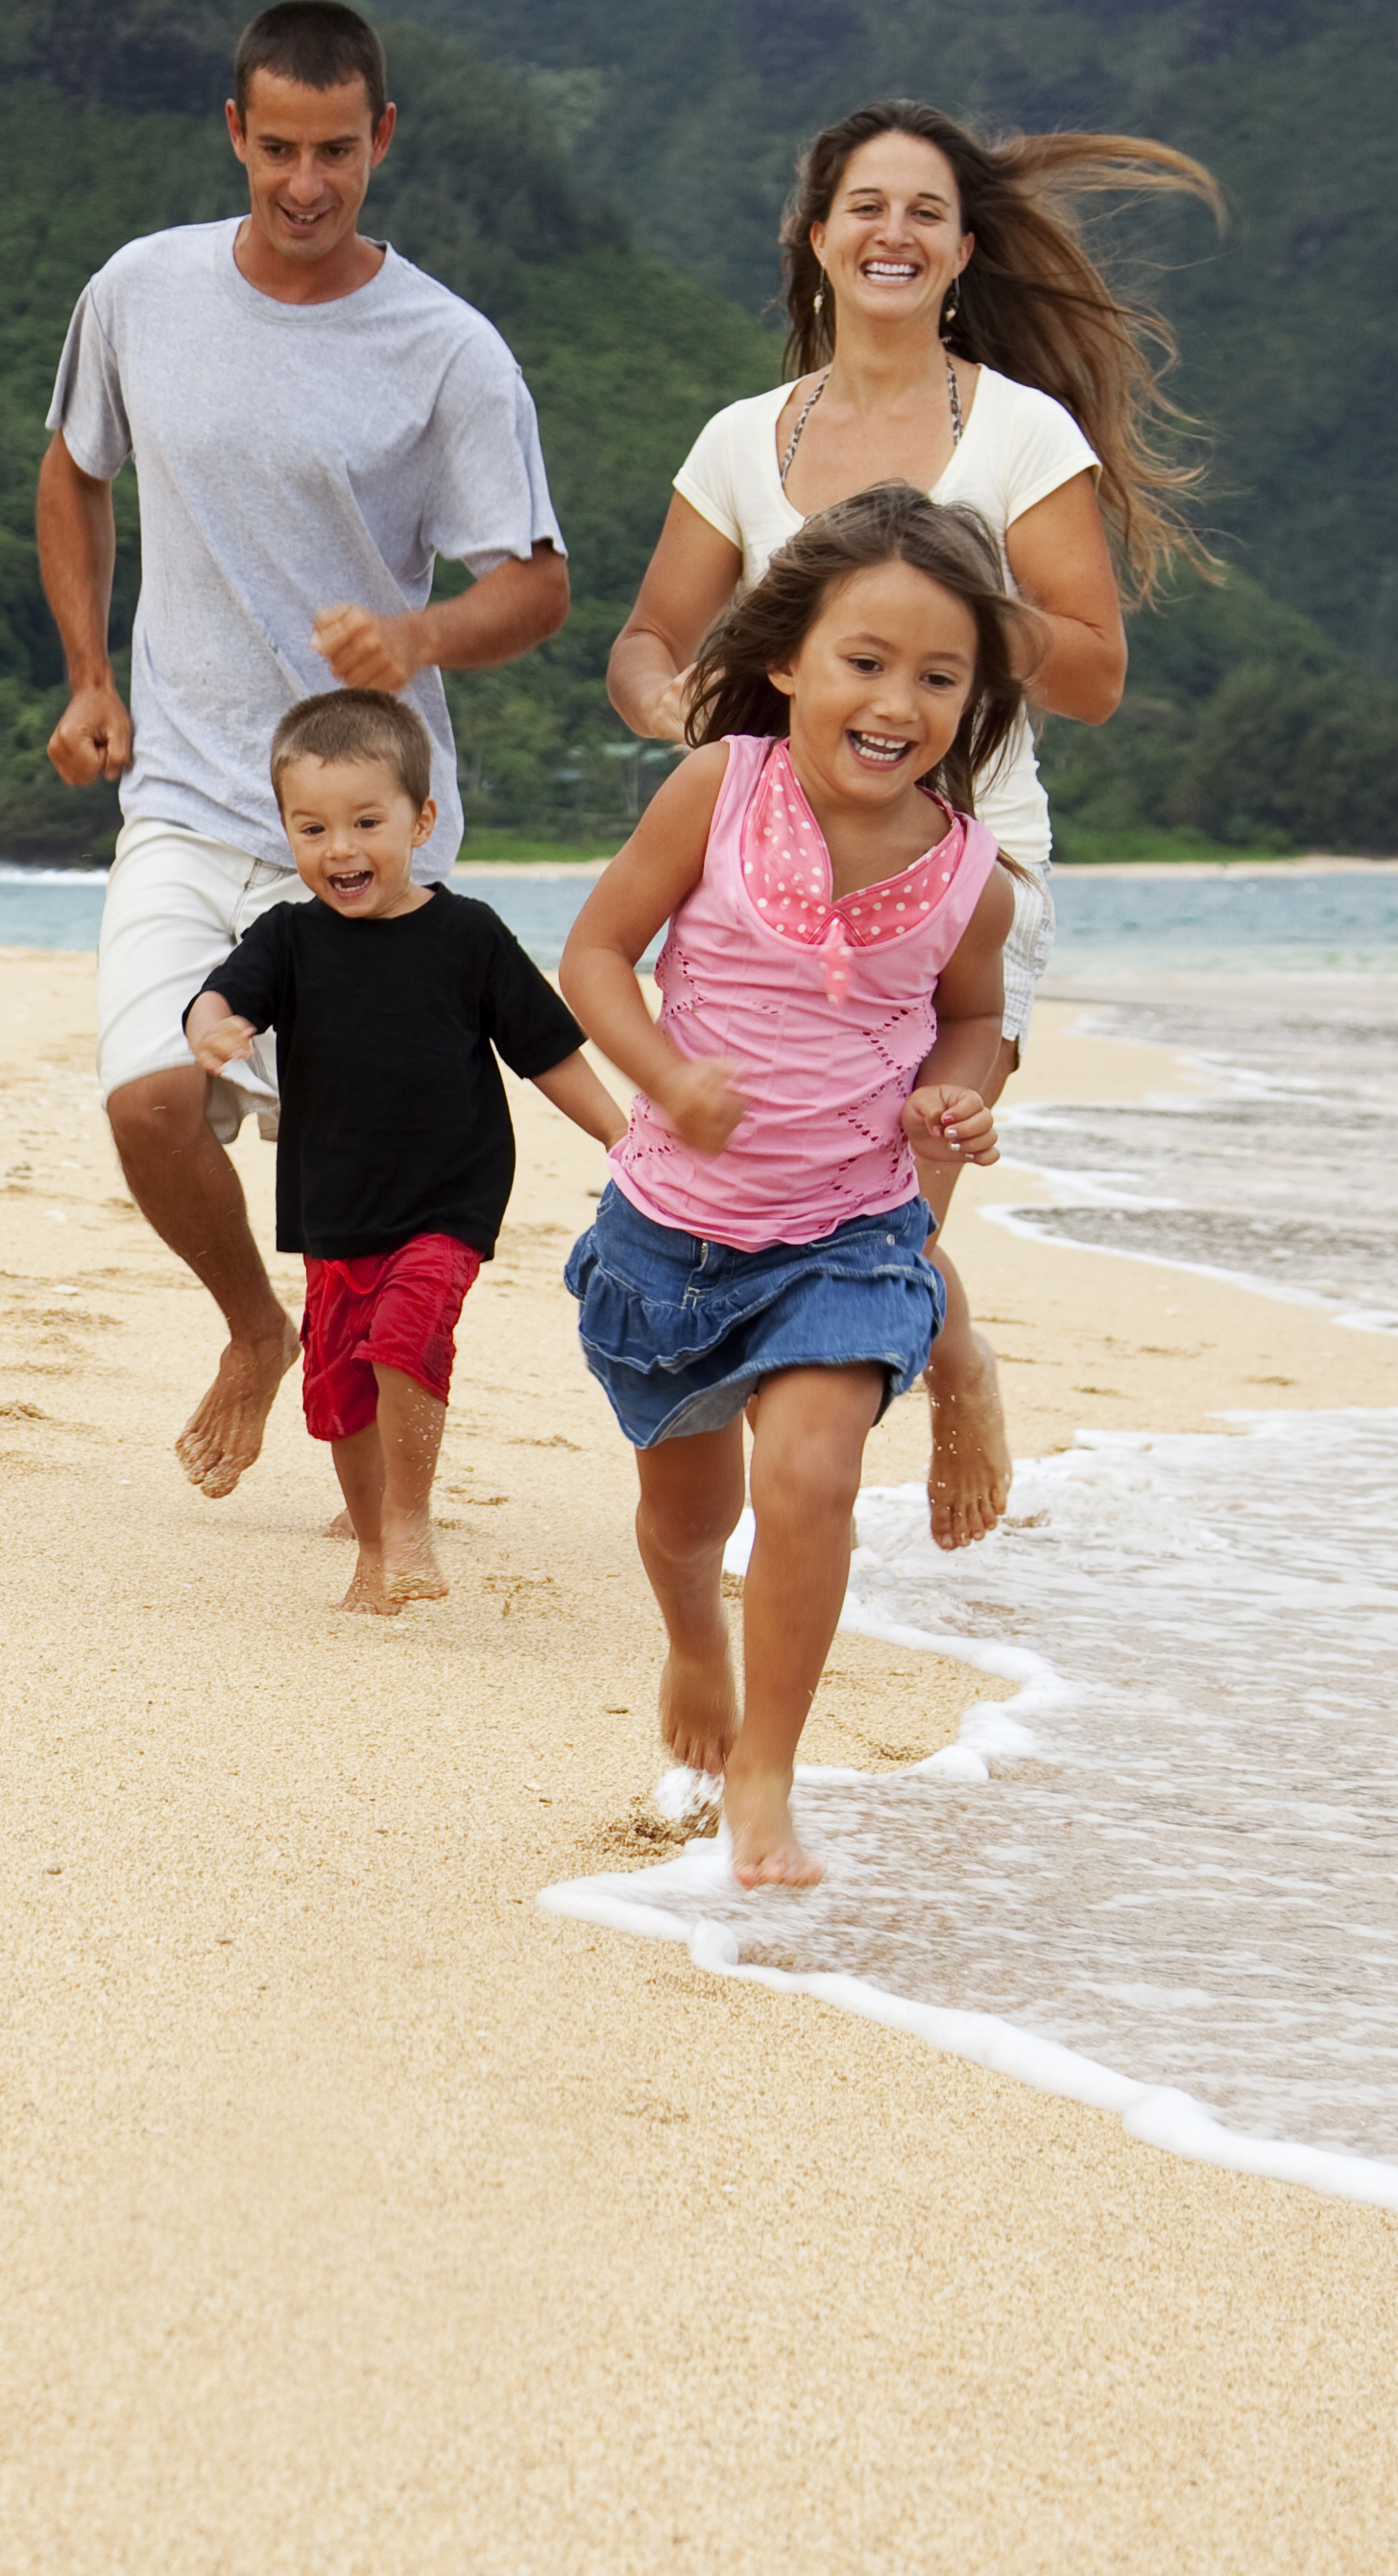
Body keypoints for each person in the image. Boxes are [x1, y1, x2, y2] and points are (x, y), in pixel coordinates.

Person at [596, 103, 1216, 1553]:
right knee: (775, 1181)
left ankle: (880, 1423)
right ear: (815, 239)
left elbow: (1098, 670)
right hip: (766, 879)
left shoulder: (1018, 433)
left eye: (925, 211)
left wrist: (913, 602)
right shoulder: (743, 440)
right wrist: (671, 702)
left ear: (962, 250)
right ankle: (902, 1376)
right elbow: (649, 635)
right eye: (864, 206)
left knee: (882, 1204)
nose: (893, 232)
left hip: (964, 865)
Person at [40, 0, 571, 1501]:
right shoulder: (141, 292)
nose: (305, 182)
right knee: (151, 1097)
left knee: (377, 1208)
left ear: (382, 137)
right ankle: (251, 1334)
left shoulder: (447, 351)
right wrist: (90, 673)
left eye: (336, 150)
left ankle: (386, 1521)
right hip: (194, 803)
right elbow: (75, 475)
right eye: (277, 148)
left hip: (369, 832)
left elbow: (536, 586)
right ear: (234, 133)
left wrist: (419, 639)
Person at [558, 487, 1020, 1890]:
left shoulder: (970, 878)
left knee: (811, 1475)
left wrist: (963, 1089)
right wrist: (668, 1076)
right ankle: (696, 1634)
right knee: (683, 1523)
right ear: (785, 664)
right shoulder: (717, 789)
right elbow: (591, 959)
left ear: (974, 697)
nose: (897, 702)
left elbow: (974, 1017)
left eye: (939, 677)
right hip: (674, 1239)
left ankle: (769, 1767)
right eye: (864, 662)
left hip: (847, 1234)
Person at [183, 688, 626, 1615]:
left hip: (448, 1197)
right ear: (288, 834)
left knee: (406, 1334)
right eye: (312, 829)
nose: (340, 849)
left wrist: (627, 1141)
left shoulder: (469, 937)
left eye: (366, 822)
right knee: (341, 1392)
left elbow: (547, 1052)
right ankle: (375, 1553)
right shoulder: (289, 939)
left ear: (422, 821)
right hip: (337, 1210)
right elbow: (220, 997)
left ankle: (413, 1517)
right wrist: (213, 1026)